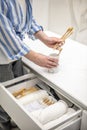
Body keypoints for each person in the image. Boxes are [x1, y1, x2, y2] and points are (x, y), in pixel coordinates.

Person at [0, 0, 63, 129]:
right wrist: (35, 57)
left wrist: (44, 38)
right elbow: (4, 33)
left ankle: (15, 120)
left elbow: (27, 19)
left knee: (18, 92)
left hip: (17, 52)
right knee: (3, 99)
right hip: (1, 57)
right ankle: (4, 125)